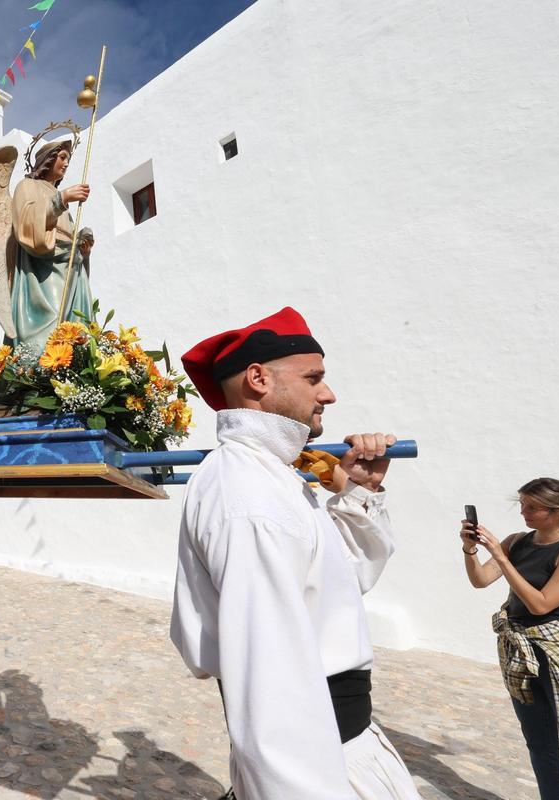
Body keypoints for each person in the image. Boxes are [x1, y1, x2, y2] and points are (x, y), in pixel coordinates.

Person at [170, 307, 419, 799]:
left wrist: (360, 491)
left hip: (343, 746)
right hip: (318, 758)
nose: (328, 394)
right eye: (313, 378)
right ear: (259, 379)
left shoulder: (273, 477)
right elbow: (270, 678)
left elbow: (343, 580)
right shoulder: (250, 493)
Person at [462, 478, 559, 798]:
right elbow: (480, 580)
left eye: (532, 507)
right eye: (522, 504)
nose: (523, 511)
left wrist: (501, 557)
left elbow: (541, 605)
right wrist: (470, 549)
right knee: (540, 743)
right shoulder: (517, 541)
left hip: (558, 654)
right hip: (519, 651)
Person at [10, 138, 95, 350]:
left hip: (71, 267)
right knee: (53, 327)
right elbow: (27, 223)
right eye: (62, 157)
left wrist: (82, 247)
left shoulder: (56, 194)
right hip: (44, 268)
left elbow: (66, 234)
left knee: (77, 328)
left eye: (68, 160)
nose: (66, 164)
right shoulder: (27, 186)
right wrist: (61, 199)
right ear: (47, 160)